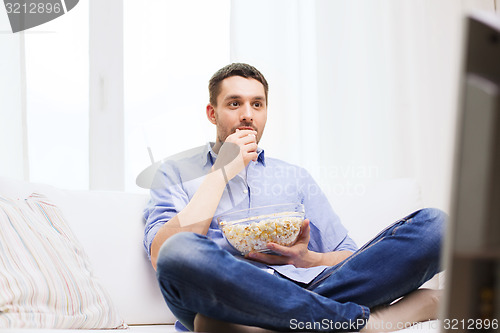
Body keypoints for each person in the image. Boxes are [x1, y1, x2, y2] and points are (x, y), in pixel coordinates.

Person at [143, 63, 446, 332]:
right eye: (234, 104)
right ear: (213, 113)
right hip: (217, 296)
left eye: (257, 104)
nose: (247, 115)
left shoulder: (294, 176)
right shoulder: (175, 171)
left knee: (436, 226)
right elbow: (162, 254)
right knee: (178, 252)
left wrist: (308, 259)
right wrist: (221, 172)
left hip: (307, 288)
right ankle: (359, 323)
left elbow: (349, 256)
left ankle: (262, 324)